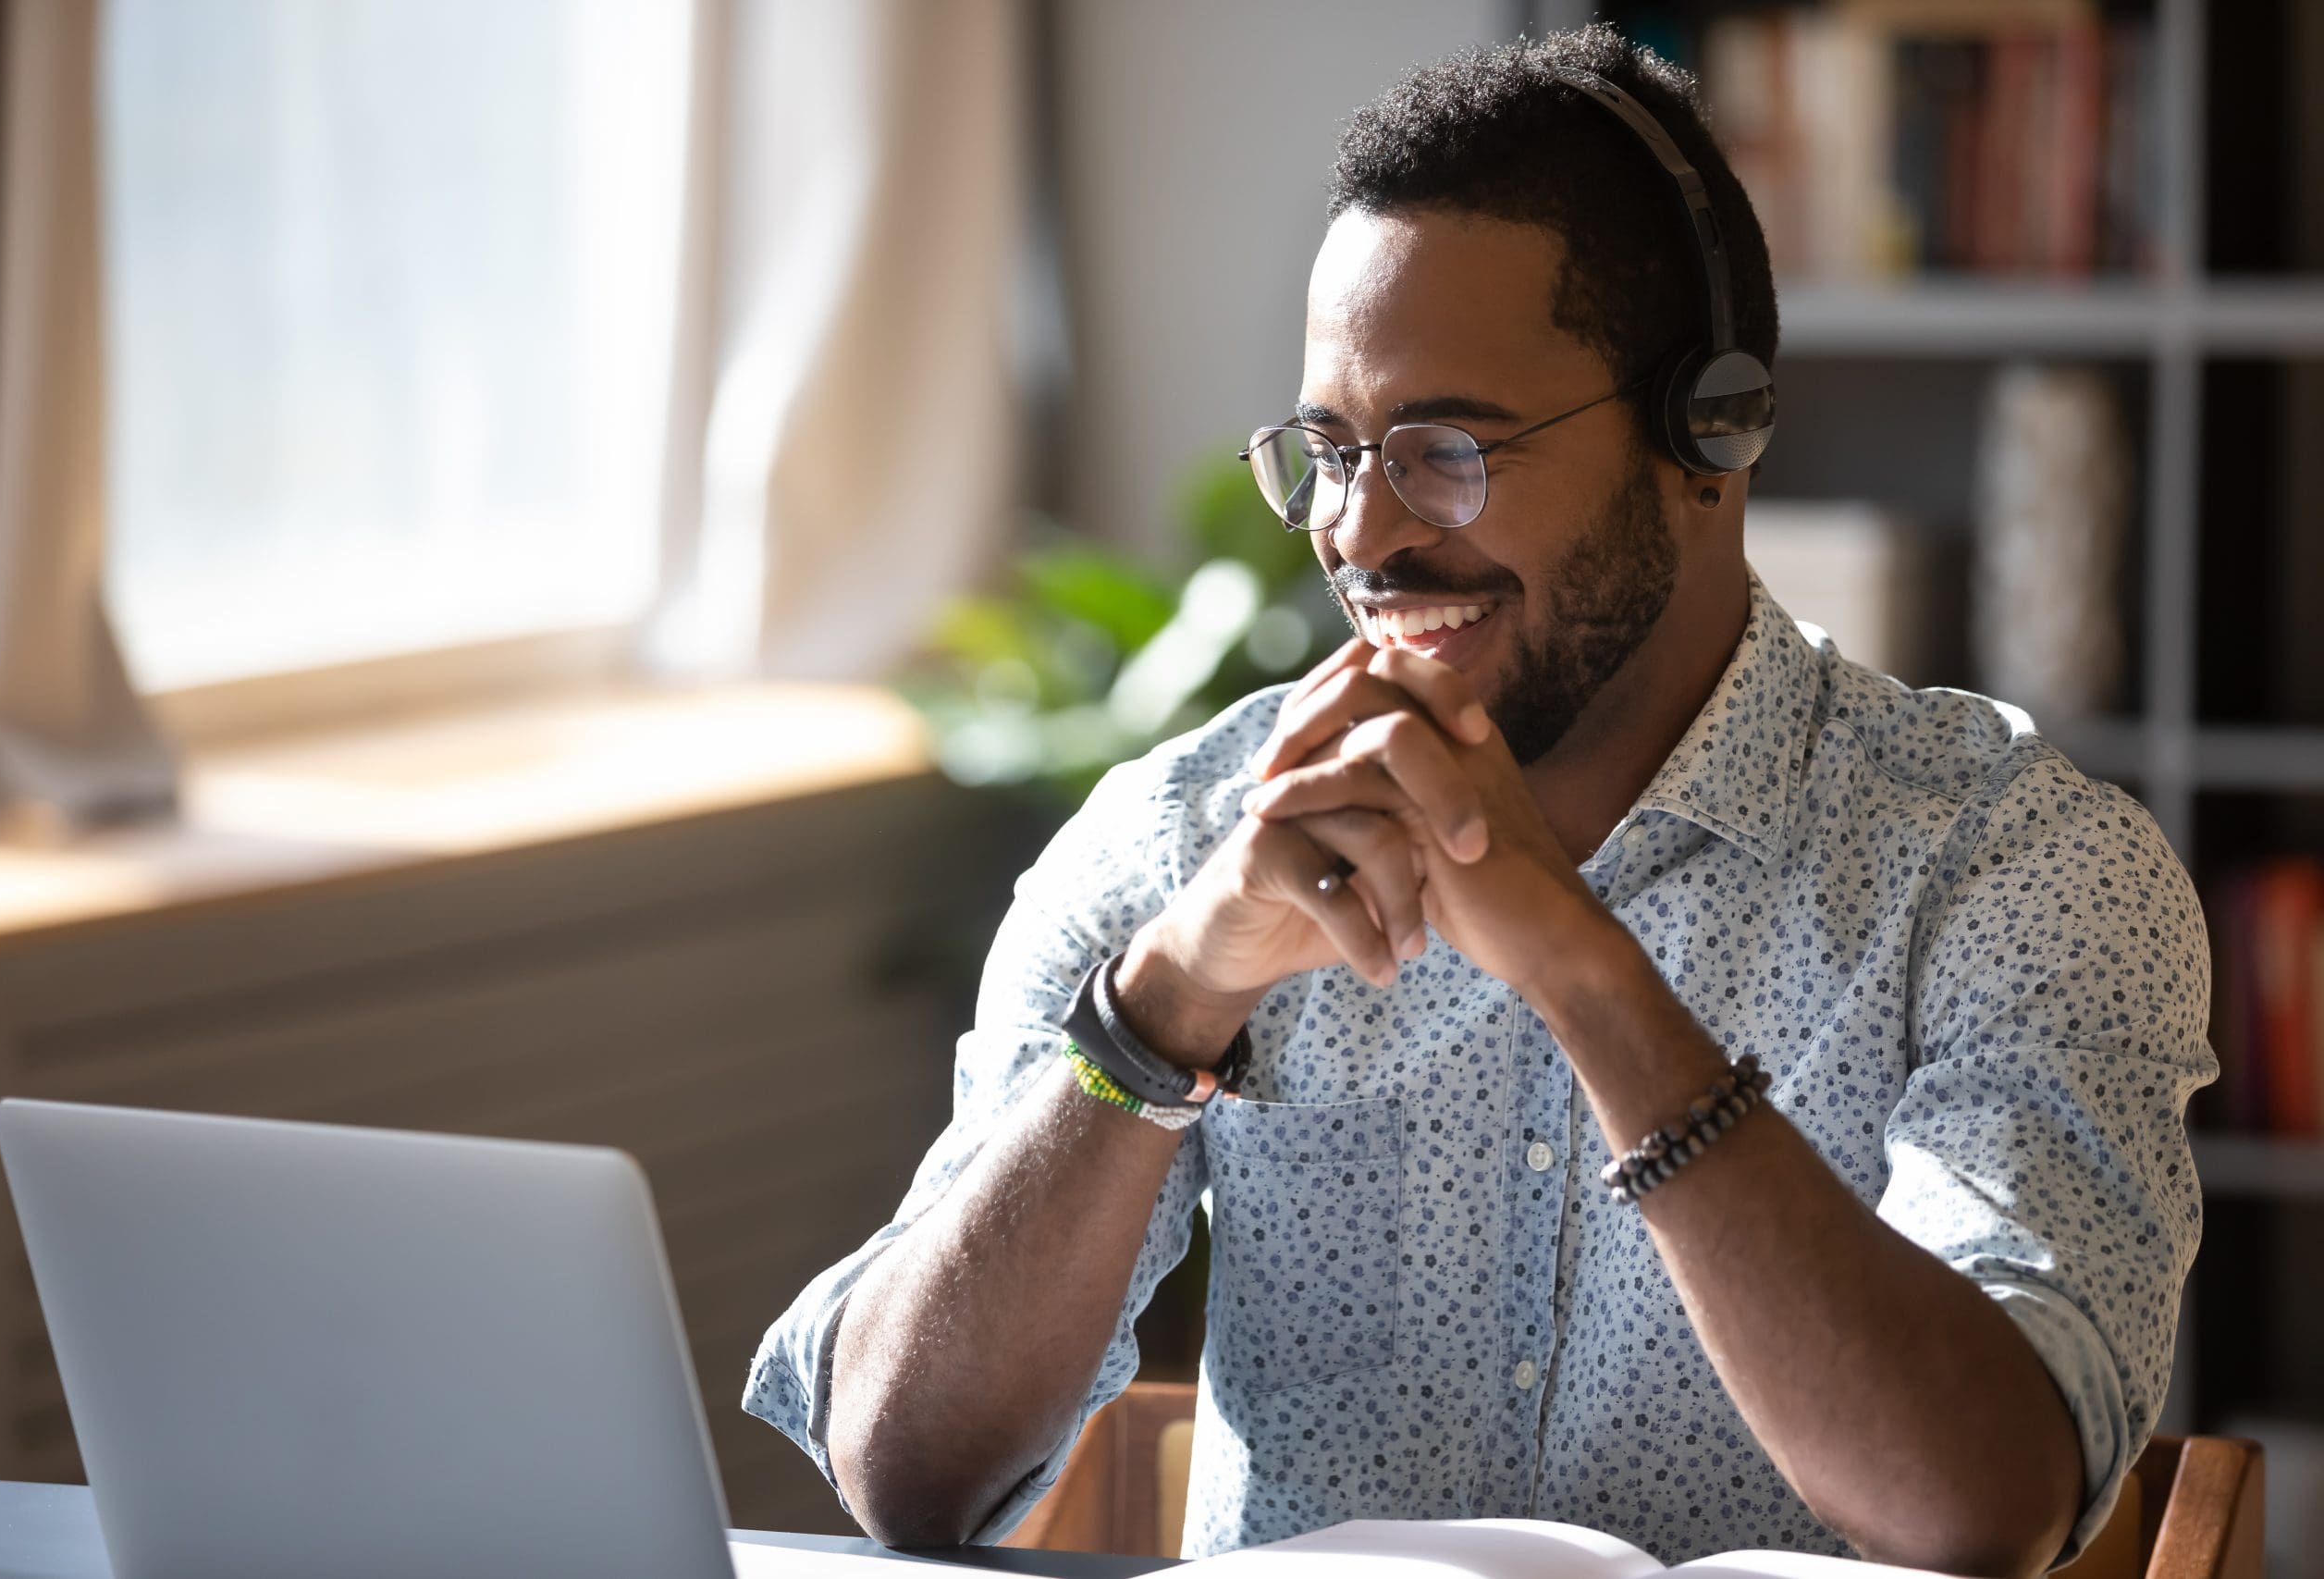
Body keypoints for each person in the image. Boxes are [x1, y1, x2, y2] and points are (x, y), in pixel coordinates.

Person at [745, 26, 2211, 1576]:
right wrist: (1165, 1009)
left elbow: (1980, 1505)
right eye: (1326, 450)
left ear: (1708, 435)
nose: (1361, 533)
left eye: (1447, 450)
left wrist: (1585, 973)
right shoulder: (1187, 838)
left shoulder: (2021, 869)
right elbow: (902, 1476)